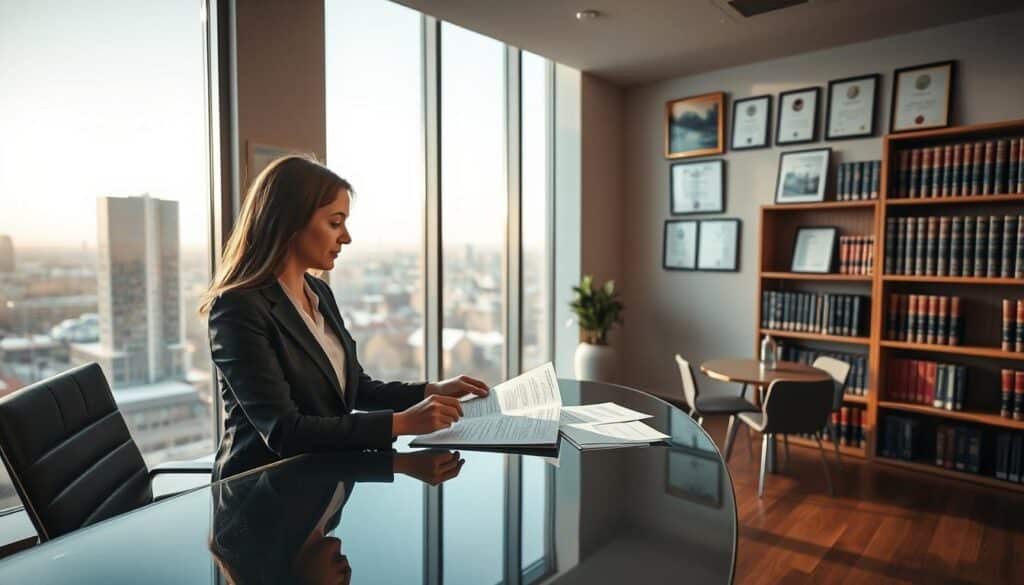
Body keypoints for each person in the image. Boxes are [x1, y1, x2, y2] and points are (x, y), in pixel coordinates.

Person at [200, 155, 488, 480]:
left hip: (323, 484)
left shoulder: (318, 292)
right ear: (289, 222)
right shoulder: (238, 307)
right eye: (335, 223)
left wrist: (430, 390)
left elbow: (355, 388)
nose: (346, 237)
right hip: (260, 495)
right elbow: (285, 431)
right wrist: (403, 423)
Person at [210, 449, 464, 585]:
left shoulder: (262, 525)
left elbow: (302, 461)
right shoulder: (330, 520)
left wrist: (402, 464)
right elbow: (346, 444)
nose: (348, 575)